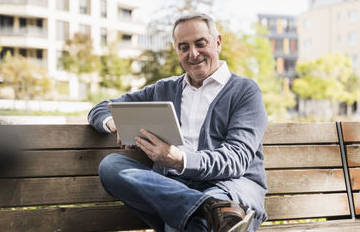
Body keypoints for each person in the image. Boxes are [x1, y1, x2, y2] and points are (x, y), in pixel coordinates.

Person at [88, 13, 268, 232]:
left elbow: (235, 159)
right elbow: (100, 108)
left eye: (200, 44)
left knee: (186, 222)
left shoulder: (244, 91)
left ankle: (202, 209)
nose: (193, 54)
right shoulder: (164, 89)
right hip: (174, 189)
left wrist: (179, 160)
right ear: (177, 51)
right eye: (184, 47)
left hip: (228, 188)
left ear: (217, 42)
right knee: (111, 166)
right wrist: (114, 122)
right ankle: (205, 208)